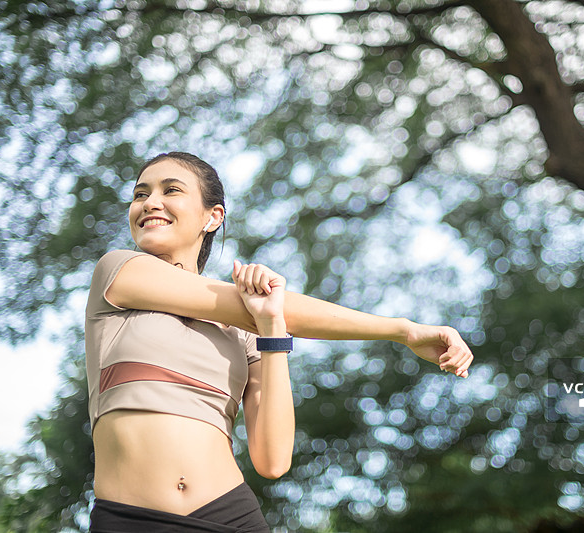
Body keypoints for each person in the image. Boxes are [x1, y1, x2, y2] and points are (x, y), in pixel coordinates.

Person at [85, 151, 474, 531]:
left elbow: (272, 461)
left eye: (171, 190)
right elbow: (273, 306)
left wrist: (271, 326)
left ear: (212, 216)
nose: (151, 202)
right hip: (130, 519)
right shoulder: (118, 272)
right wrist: (402, 330)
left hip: (230, 515)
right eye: (140, 194)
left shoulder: (248, 327)